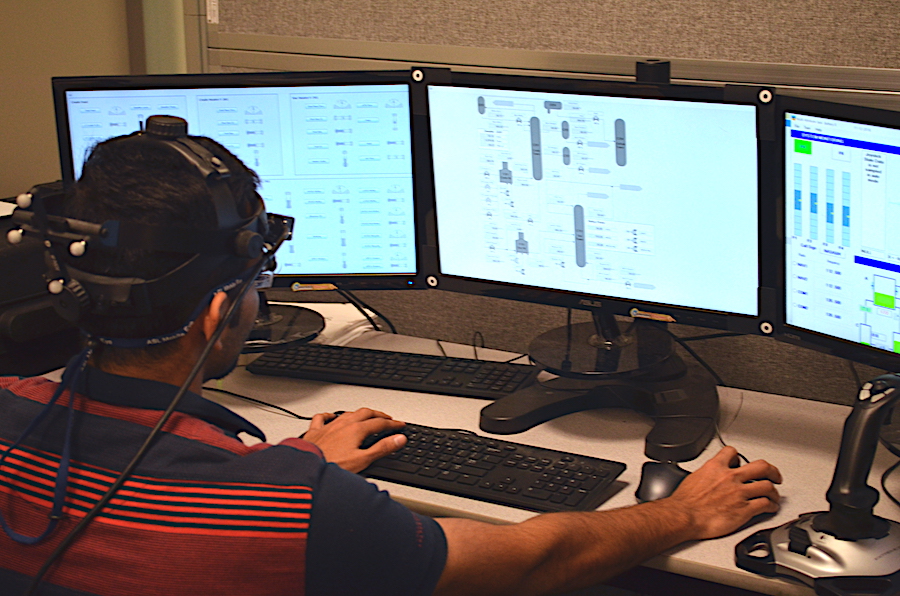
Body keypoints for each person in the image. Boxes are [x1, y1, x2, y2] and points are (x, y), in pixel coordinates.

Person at [0, 124, 782, 596]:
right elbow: (529, 561)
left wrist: (297, 458)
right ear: (216, 311)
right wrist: (683, 512)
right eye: (256, 284)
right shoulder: (294, 509)